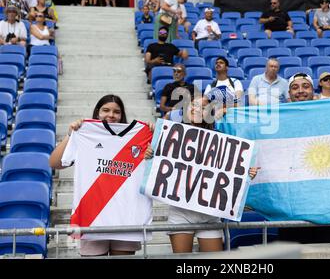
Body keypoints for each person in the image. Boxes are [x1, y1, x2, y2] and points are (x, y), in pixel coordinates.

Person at [148, 95, 259, 253]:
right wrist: (149, 154)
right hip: (181, 212)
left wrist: (246, 174)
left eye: (202, 107)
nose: (196, 109)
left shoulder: (221, 138)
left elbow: (231, 169)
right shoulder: (172, 134)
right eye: (193, 104)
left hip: (210, 213)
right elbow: (158, 161)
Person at [49, 95, 153, 257]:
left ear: (121, 115)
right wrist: (72, 134)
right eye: (106, 110)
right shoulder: (85, 133)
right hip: (91, 218)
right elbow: (54, 162)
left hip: (126, 219)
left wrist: (152, 144)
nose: (111, 115)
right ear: (97, 112)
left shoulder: (140, 136)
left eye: (116, 112)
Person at [278, 72, 330, 243]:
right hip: (292, 204)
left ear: (313, 91)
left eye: (305, 86)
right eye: (295, 87)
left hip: (328, 204)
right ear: (289, 95)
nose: (300, 91)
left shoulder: (329, 116)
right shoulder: (277, 119)